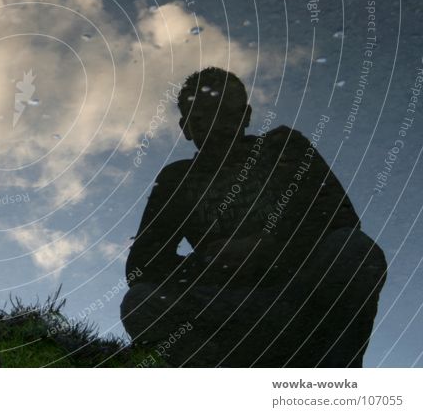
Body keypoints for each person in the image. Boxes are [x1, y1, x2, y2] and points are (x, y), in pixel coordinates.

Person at [120, 67, 387, 367]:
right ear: (186, 128)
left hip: (302, 297)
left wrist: (265, 247)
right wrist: (210, 261)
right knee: (141, 303)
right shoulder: (177, 179)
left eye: (225, 112)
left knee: (354, 251)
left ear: (245, 116)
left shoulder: (284, 147)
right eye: (200, 117)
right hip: (230, 308)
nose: (214, 124)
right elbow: (141, 267)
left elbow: (340, 218)